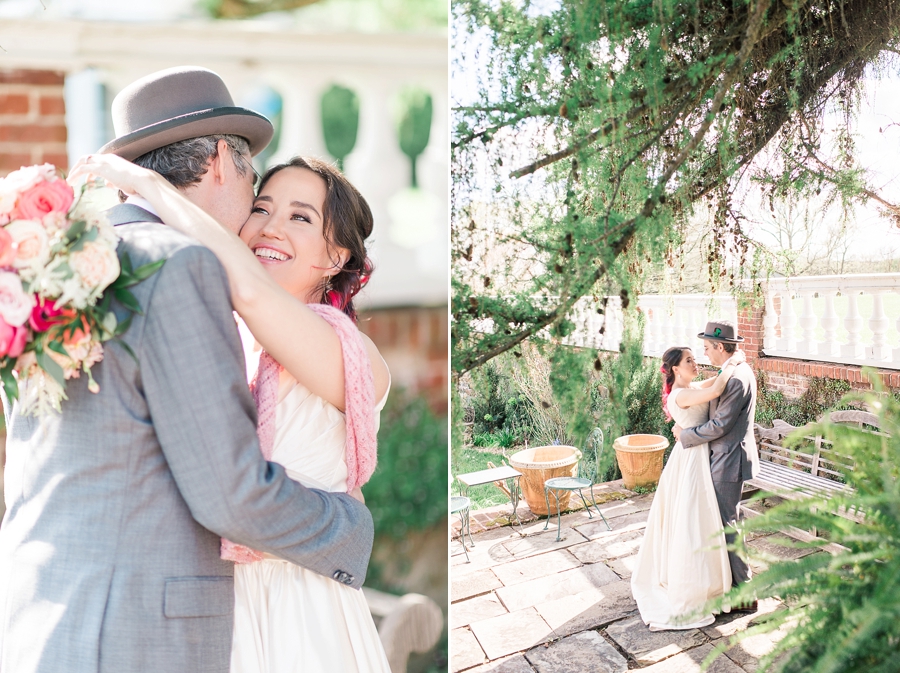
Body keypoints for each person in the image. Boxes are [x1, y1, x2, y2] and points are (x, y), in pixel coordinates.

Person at [0, 66, 373, 673]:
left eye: (299, 216)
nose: (263, 218)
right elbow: (232, 494)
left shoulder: (52, 264)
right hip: (133, 634)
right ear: (222, 160)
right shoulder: (176, 266)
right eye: (257, 189)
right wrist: (350, 528)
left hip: (43, 611)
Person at [70, 149, 394, 672]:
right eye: (262, 209)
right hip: (214, 606)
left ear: (336, 257)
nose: (270, 228)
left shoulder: (347, 351)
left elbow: (248, 287)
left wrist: (149, 188)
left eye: (300, 217)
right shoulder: (224, 337)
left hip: (299, 611)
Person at [631, 336, 745, 630]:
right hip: (691, 458)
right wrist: (734, 360)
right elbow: (718, 387)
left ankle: (715, 582)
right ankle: (693, 586)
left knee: (700, 515)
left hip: (698, 454)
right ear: (675, 369)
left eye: (696, 357)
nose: (696, 363)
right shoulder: (679, 396)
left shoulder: (690, 387)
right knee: (692, 517)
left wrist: (730, 363)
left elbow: (716, 380)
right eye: (689, 361)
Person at [674, 320, 760, 605]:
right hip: (725, 457)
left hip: (729, 459)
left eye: (708, 348)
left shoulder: (736, 378)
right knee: (730, 520)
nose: (705, 355)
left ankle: (746, 594)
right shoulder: (733, 370)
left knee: (728, 525)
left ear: (720, 346)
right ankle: (732, 582)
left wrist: (685, 434)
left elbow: (720, 425)